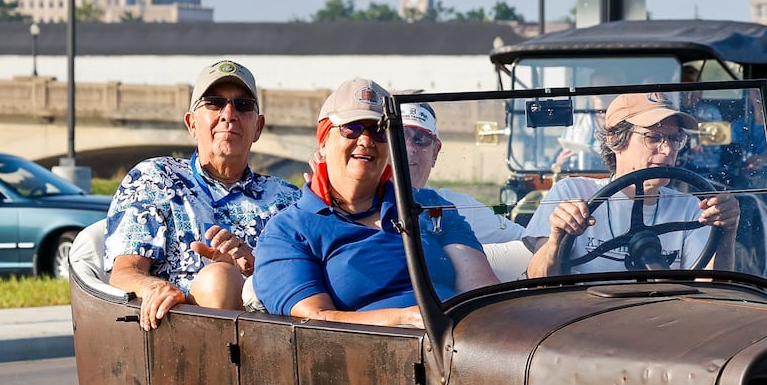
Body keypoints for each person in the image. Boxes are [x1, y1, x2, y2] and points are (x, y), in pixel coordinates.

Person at [251, 78, 497, 327]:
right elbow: (317, 321)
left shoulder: (428, 206)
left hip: (460, 340)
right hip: (369, 355)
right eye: (352, 128)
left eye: (379, 131)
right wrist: (405, 318)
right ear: (323, 140)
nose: (366, 140)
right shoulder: (288, 231)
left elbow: (483, 294)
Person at [104, 60, 300, 330]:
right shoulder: (155, 179)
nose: (229, 114)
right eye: (214, 103)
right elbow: (124, 273)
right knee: (218, 278)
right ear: (191, 123)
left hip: (270, 332)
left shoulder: (287, 199)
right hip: (179, 334)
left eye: (243, 105)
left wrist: (251, 268)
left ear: (258, 127)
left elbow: (304, 282)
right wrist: (154, 287)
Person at [525, 91, 740, 279]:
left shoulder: (691, 208)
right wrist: (556, 240)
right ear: (614, 139)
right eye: (653, 137)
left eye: (674, 139)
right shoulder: (571, 193)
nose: (667, 150)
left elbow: (711, 290)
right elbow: (538, 278)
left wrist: (727, 231)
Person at [400, 102, 530, 245]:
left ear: (435, 153)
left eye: (420, 139)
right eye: (400, 137)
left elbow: (526, 239)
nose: (410, 148)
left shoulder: (458, 207)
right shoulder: (371, 204)